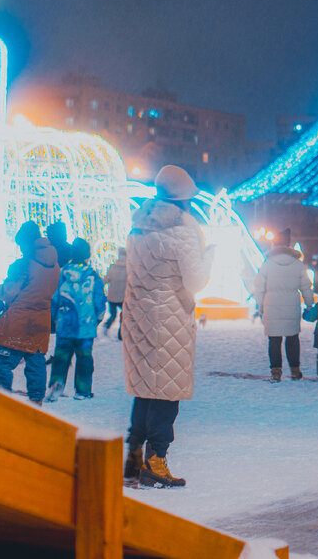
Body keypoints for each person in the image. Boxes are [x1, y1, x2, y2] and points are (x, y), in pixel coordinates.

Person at [123, 165, 214, 488]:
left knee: (145, 390)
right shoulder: (183, 230)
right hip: (169, 319)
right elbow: (195, 281)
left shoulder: (138, 228)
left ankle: (132, 462)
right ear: (186, 199)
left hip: (138, 317)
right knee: (166, 393)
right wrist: (211, 254)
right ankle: (155, 462)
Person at [0, 221, 60, 404]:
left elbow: (10, 292)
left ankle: (4, 400)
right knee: (35, 361)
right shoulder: (54, 264)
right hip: (41, 320)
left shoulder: (25, 264)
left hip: (19, 320)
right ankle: (36, 401)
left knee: (1, 361)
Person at [47, 238, 106, 401]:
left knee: (61, 357)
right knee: (85, 358)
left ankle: (56, 383)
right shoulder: (93, 276)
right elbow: (100, 301)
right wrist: (97, 319)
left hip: (65, 324)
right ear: (87, 255)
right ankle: (82, 390)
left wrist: (54, 317)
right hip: (85, 326)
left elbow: (55, 298)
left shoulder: (63, 273)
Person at [251, 241, 313, 381]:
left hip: (271, 306)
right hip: (292, 306)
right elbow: (306, 287)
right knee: (292, 339)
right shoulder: (298, 265)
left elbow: (259, 287)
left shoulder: (267, 264)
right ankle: (295, 370)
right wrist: (310, 304)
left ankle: (276, 371)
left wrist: (260, 306)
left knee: (274, 340)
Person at [103, 247, 127, 339]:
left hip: (112, 297)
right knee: (124, 316)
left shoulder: (112, 267)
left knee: (113, 315)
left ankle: (106, 327)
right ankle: (120, 335)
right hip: (123, 297)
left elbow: (106, 280)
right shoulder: (129, 269)